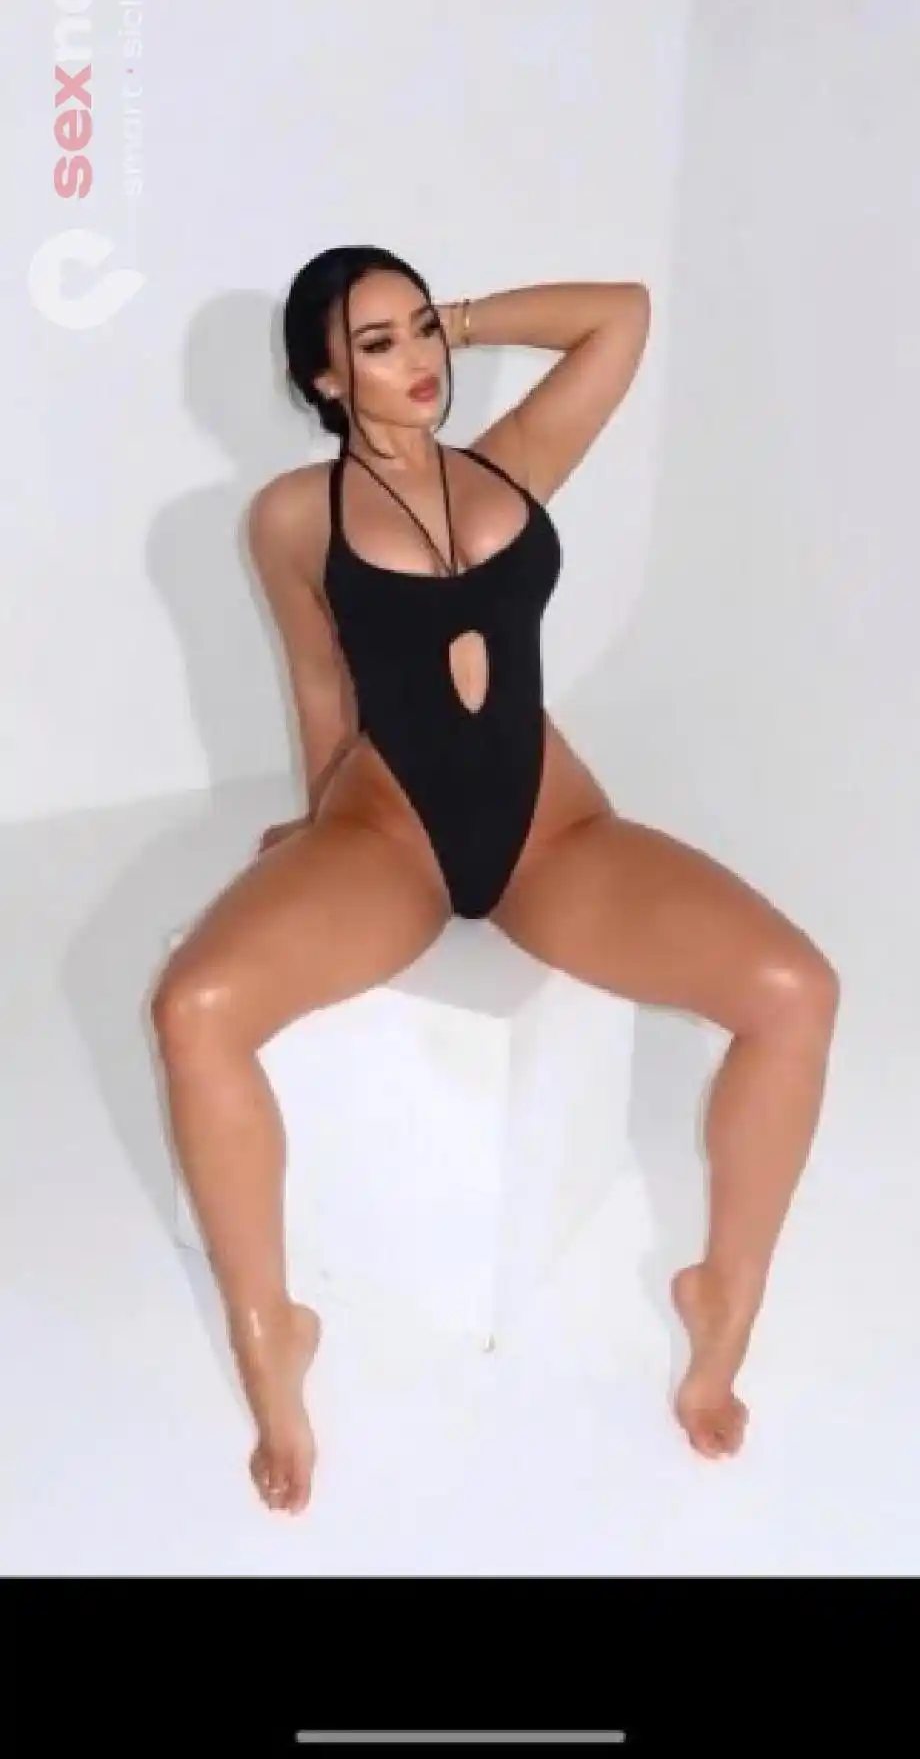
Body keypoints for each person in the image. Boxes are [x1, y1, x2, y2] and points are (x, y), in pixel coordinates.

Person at [150, 244, 840, 1515]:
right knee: (192, 1008)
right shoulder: (294, 514)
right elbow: (319, 679)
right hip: (390, 833)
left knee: (795, 989)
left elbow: (619, 316)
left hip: (548, 829)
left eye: (422, 329)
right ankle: (269, 1330)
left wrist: (459, 320)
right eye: (377, 344)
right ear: (322, 377)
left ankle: (721, 1297)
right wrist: (313, 822)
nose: (419, 361)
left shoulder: (511, 461)